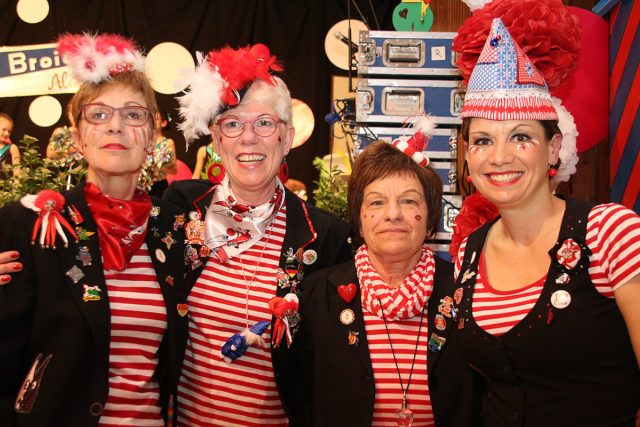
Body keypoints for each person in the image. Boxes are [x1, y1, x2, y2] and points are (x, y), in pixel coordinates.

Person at [452, 18, 640, 426]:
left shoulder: (611, 232)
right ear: (467, 156)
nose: (500, 156)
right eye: (483, 140)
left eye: (521, 137)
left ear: (553, 148)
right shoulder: (470, 252)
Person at [0, 33, 188, 425]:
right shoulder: (35, 221)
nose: (115, 126)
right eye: (98, 115)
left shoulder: (173, 231)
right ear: (78, 136)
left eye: (133, 114)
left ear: (152, 137)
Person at [164, 44, 353, 425]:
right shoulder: (181, 209)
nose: (248, 138)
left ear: (287, 137)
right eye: (233, 123)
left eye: (264, 123)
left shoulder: (325, 235)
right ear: (217, 140)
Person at [292, 138, 480, 426]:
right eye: (377, 202)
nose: (393, 214)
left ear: (430, 221)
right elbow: (303, 397)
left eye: (408, 201)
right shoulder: (320, 294)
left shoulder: (463, 292)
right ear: (359, 220)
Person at [145, 110, 178, 197]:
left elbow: (174, 170)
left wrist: (157, 165)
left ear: (163, 123)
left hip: (159, 186)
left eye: (156, 119)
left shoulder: (168, 143)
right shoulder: (143, 142)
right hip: (143, 184)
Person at [0, 113, 20, 177]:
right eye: (4, 129)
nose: (6, 133)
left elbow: (17, 171)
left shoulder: (12, 148)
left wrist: (17, 185)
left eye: (9, 131)